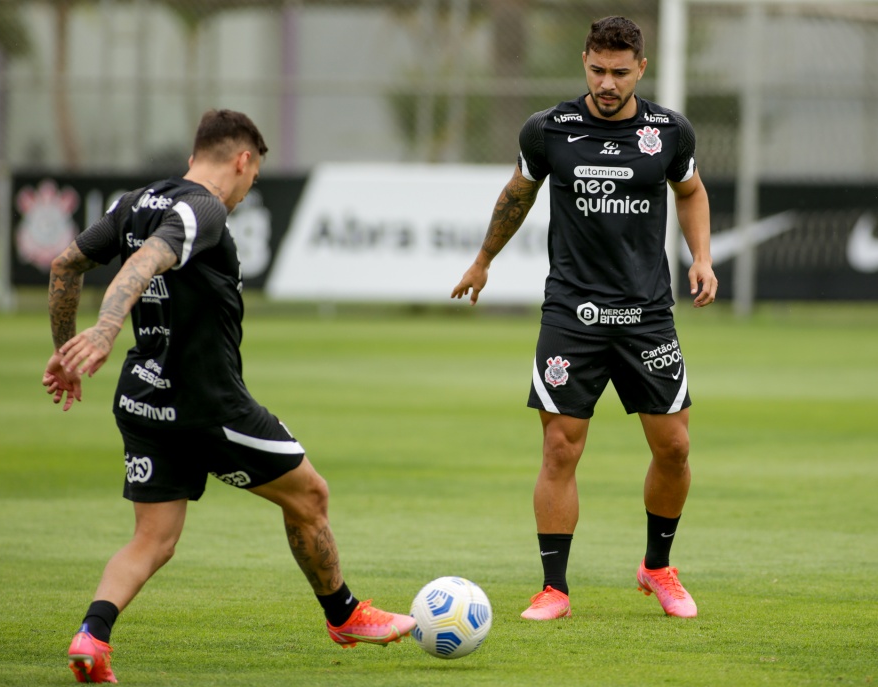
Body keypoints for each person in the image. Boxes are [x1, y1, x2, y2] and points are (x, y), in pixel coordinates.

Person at [43, 109, 414, 684]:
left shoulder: (135, 201)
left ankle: (92, 638)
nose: (246, 192)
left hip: (142, 398)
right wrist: (105, 329)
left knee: (153, 540)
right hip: (208, 406)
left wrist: (66, 349)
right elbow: (146, 261)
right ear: (243, 160)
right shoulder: (204, 207)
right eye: (253, 177)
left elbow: (67, 263)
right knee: (310, 495)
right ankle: (344, 616)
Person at [451, 16, 717, 621]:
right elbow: (517, 193)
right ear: (584, 62)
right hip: (572, 313)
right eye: (597, 69)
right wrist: (483, 260)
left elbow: (691, 190)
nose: (606, 83)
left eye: (620, 72)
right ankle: (555, 589)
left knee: (674, 446)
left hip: (648, 315)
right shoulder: (549, 130)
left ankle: (657, 568)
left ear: (640, 69)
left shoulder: (668, 132)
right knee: (559, 449)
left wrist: (701, 257)